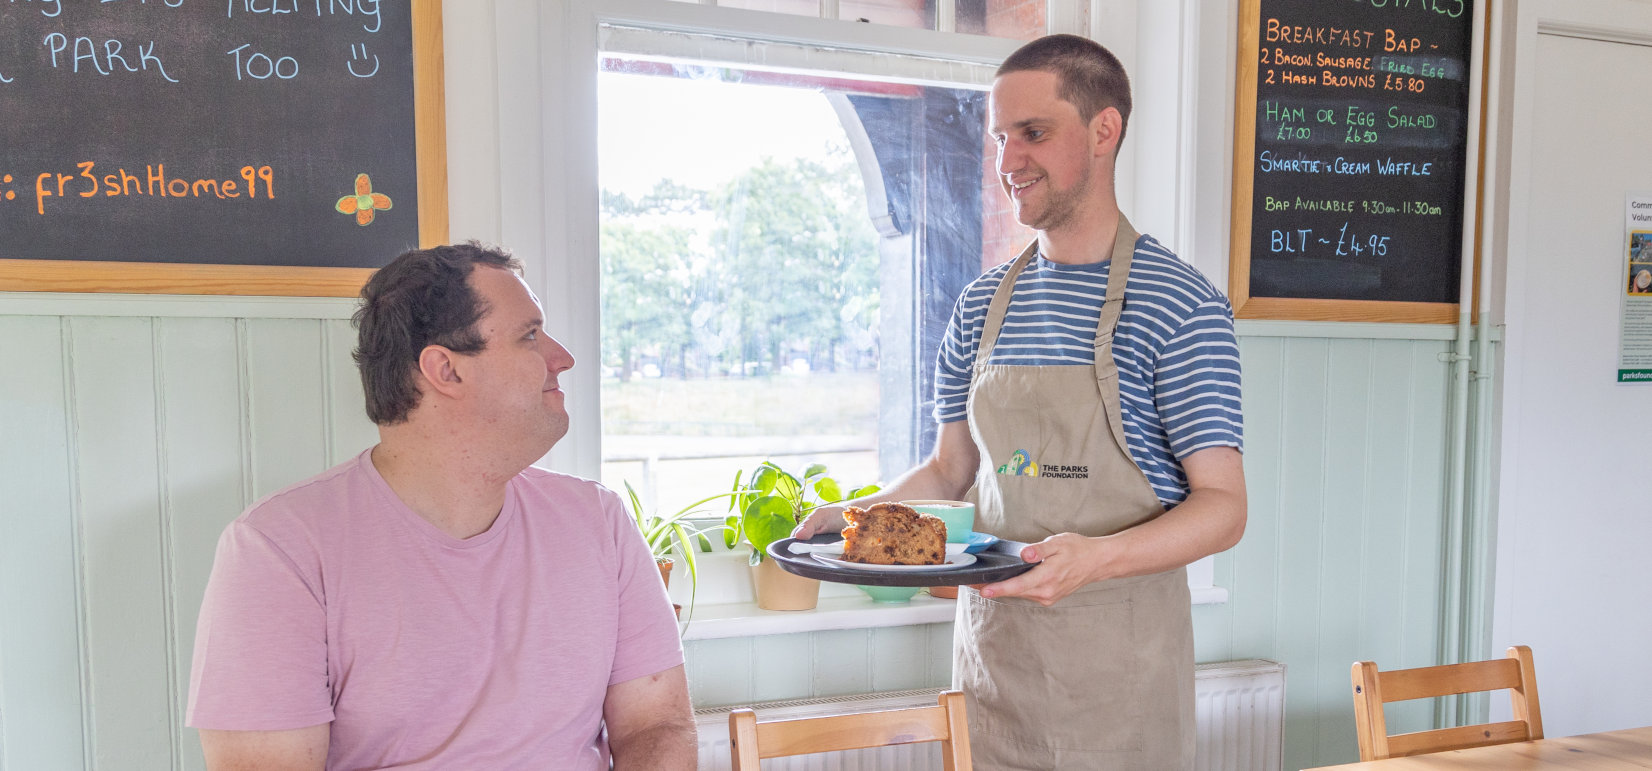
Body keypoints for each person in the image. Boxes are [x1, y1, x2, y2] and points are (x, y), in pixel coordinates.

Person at [795, 34, 1246, 769]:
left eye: (1033, 133)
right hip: (994, 687)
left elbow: (1224, 503)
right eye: (1001, 137)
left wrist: (1094, 559)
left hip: (1120, 695)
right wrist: (856, 519)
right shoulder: (978, 307)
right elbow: (949, 473)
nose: (1008, 162)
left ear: (1105, 131)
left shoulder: (1178, 305)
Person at [186, 242, 696, 770]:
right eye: (529, 336)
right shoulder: (278, 551)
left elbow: (656, 725)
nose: (561, 358)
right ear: (445, 371)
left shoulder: (599, 521)